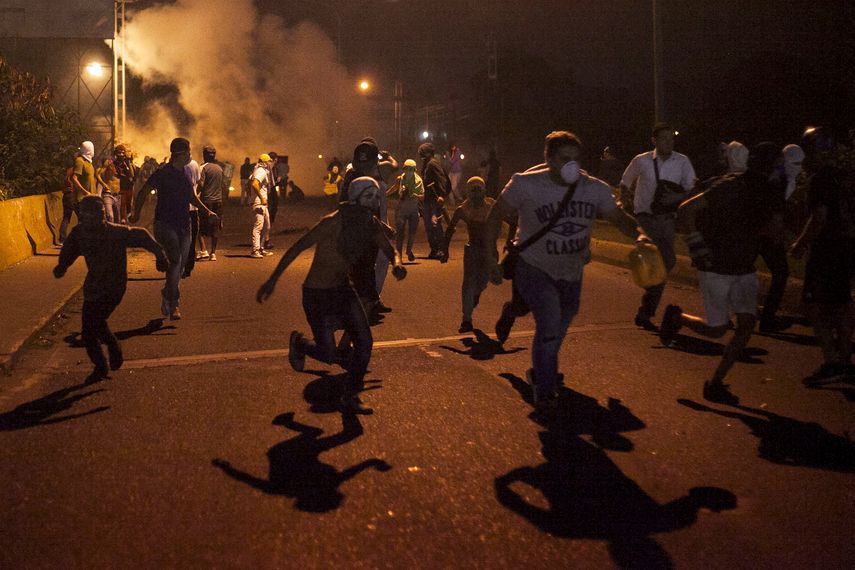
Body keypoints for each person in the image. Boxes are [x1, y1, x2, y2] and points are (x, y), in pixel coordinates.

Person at [485, 131, 647, 408]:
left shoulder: (593, 189)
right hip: (534, 267)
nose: (570, 165)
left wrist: (641, 236)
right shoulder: (526, 184)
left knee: (559, 327)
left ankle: (540, 369)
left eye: (575, 159)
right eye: (563, 159)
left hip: (571, 271)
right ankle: (545, 389)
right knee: (549, 323)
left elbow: (618, 218)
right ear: (548, 159)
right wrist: (491, 258)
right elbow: (496, 214)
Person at [256, 176, 407, 413]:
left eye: (377, 196)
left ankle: (351, 395)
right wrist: (272, 280)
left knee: (365, 341)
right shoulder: (332, 222)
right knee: (328, 354)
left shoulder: (370, 223)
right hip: (317, 293)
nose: (375, 201)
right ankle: (300, 343)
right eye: (369, 196)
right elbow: (297, 247)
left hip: (343, 290)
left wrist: (397, 264)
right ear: (355, 197)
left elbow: (390, 250)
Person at [659, 143, 785, 405]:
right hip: (716, 264)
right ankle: (677, 318)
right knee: (717, 330)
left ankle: (715, 383)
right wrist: (697, 245)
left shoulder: (768, 192)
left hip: (743, 266)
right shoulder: (730, 186)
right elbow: (686, 210)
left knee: (746, 325)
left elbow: (770, 230)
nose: (780, 171)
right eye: (778, 165)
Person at [53, 195, 168, 381]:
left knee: (93, 324)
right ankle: (106, 358)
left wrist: (161, 256)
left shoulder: (115, 232)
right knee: (92, 327)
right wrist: (62, 265)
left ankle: (108, 357)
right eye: (87, 216)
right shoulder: (79, 233)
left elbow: (141, 235)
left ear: (101, 216)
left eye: (94, 215)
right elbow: (69, 250)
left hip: (114, 286)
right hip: (93, 286)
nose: (90, 221)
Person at [790, 127, 855, 385]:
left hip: (827, 249)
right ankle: (845, 361)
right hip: (846, 247)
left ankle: (832, 362)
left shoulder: (820, 179)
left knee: (813, 306)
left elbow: (819, 217)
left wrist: (800, 243)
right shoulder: (843, 177)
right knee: (841, 303)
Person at [129, 137, 218, 320]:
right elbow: (143, 191)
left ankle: (167, 294)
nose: (190, 155)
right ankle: (174, 303)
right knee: (176, 261)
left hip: (184, 225)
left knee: (178, 266)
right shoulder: (163, 173)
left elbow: (191, 197)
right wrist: (136, 213)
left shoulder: (185, 173)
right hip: (165, 224)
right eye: (189, 152)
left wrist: (207, 211)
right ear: (182, 154)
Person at [620, 122, 697, 331]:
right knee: (665, 261)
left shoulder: (682, 161)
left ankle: (645, 307)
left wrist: (677, 198)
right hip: (646, 219)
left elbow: (692, 188)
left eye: (671, 138)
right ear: (654, 140)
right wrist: (625, 197)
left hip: (668, 219)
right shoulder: (642, 160)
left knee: (665, 263)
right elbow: (625, 180)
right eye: (664, 138)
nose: (669, 142)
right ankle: (646, 310)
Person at [757, 144, 804, 332]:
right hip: (766, 234)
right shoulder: (779, 180)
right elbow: (775, 211)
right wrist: (781, 236)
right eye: (795, 163)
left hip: (762, 233)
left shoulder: (781, 177)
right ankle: (767, 319)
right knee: (781, 273)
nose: (798, 167)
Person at [444, 176, 495, 333]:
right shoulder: (463, 209)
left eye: (479, 190)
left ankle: (475, 295)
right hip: (472, 249)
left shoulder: (492, 206)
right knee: (468, 284)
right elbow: (450, 229)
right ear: (468, 192)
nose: (477, 194)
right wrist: (445, 250)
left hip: (489, 250)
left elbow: (511, 220)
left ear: (484, 191)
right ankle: (466, 319)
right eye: (474, 191)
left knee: (483, 282)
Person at [419, 142, 450, 260]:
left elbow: (441, 179)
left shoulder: (433, 163)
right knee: (428, 226)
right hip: (427, 199)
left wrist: (442, 195)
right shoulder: (426, 164)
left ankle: (441, 249)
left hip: (435, 200)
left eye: (422, 152)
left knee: (435, 224)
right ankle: (434, 249)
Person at [388, 158, 423, 261]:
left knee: (412, 232)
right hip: (401, 208)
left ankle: (408, 250)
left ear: (414, 170)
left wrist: (415, 195)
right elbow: (394, 188)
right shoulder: (400, 179)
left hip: (413, 208)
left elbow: (422, 196)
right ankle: (399, 255)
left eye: (411, 169)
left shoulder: (418, 181)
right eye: (407, 169)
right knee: (400, 233)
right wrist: (385, 194)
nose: (408, 171)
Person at [197, 145, 225, 262]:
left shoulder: (203, 168)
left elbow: (201, 184)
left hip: (205, 202)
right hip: (218, 201)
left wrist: (195, 194)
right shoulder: (219, 169)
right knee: (215, 228)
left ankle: (203, 250)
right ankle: (213, 253)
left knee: (199, 226)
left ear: (204, 155)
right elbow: (223, 186)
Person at [250, 153, 275, 258]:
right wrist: (261, 198)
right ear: (265, 162)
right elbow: (254, 184)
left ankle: (261, 248)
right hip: (259, 202)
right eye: (269, 161)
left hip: (262, 202)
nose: (271, 163)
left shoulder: (258, 170)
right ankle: (255, 250)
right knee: (258, 226)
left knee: (266, 226)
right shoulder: (261, 171)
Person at [113, 144, 137, 223]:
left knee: (129, 202)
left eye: (122, 153)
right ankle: (123, 218)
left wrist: (128, 164)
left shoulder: (127, 162)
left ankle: (129, 215)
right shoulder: (114, 163)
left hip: (129, 185)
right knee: (122, 202)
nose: (121, 155)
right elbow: (116, 174)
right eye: (119, 153)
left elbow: (132, 174)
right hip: (121, 186)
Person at [96, 158, 121, 223]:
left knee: (117, 219)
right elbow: (98, 175)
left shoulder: (118, 170)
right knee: (110, 216)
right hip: (108, 195)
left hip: (117, 196)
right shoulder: (103, 171)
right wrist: (105, 166)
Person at [59, 161, 77, 243]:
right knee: (81, 217)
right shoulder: (75, 172)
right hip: (73, 196)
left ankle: (62, 239)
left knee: (66, 217)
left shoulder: (66, 174)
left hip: (66, 196)